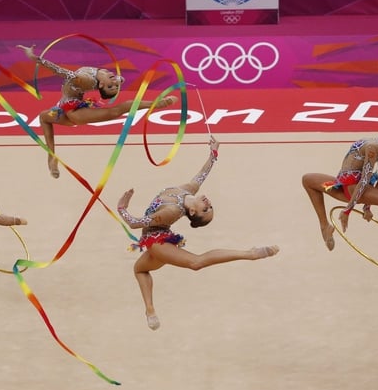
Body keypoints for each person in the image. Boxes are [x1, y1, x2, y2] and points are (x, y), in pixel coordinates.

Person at [116, 137, 280, 331]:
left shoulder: (171, 211)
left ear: (192, 212)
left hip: (156, 241)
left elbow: (134, 223)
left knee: (196, 262)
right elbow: (202, 175)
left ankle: (249, 253)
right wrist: (213, 153)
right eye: (210, 207)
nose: (208, 204)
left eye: (206, 209)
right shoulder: (186, 191)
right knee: (139, 270)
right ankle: (150, 310)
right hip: (161, 242)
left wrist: (122, 208)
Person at [17, 44, 179, 178]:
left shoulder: (86, 81)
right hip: (63, 107)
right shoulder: (112, 77)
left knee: (115, 112)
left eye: (111, 85)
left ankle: (158, 104)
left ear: (100, 86)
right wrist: (116, 83)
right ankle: (52, 157)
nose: (115, 82)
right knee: (43, 117)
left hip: (74, 111)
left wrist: (35, 59)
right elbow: (118, 80)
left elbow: (60, 71)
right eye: (114, 85)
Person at [301, 134, 378, 250]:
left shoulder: (374, 147)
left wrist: (348, 210)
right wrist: (367, 207)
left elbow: (366, 179)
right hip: (342, 185)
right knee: (308, 180)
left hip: (355, 190)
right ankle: (324, 226)